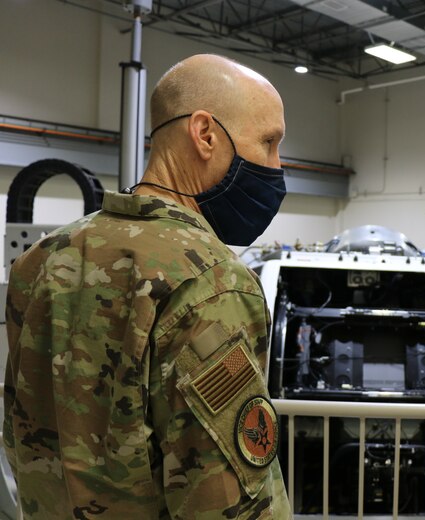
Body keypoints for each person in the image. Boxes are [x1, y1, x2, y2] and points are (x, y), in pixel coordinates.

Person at [3, 54, 291, 518]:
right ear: (205, 134)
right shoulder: (211, 281)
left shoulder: (40, 260)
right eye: (269, 142)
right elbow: (227, 503)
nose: (276, 167)